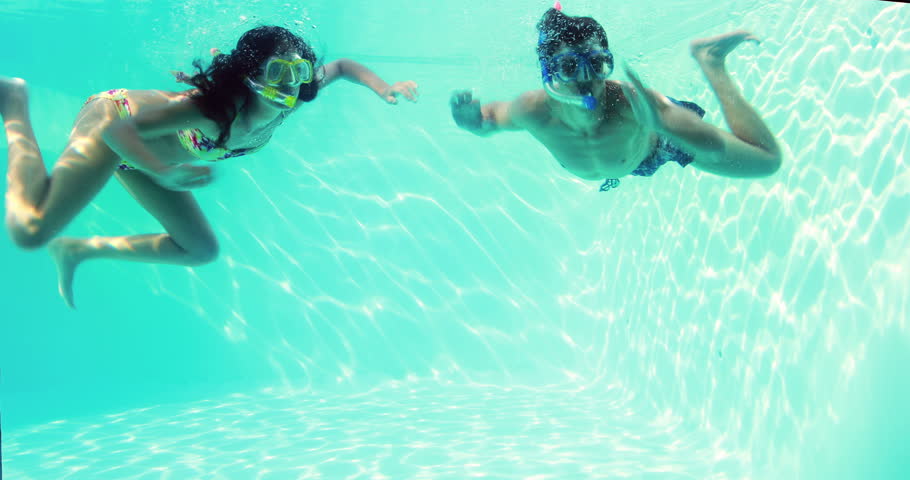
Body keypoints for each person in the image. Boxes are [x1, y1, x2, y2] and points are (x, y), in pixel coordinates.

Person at [0, 25, 419, 307]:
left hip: (146, 162)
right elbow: (117, 133)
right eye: (278, 70)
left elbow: (342, 67)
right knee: (30, 230)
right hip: (116, 122)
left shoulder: (288, 102)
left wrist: (384, 88)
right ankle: (14, 103)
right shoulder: (212, 110)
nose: (290, 82)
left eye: (299, 70)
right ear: (251, 75)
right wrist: (163, 173)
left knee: (200, 249)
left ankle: (76, 249)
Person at [450, 5, 781, 193]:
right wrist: (469, 119)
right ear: (548, 72)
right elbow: (488, 120)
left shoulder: (634, 104)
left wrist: (662, 124)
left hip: (654, 145)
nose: (586, 78)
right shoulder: (531, 110)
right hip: (625, 163)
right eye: (569, 66)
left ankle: (711, 61)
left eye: (596, 63)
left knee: (766, 162)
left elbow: (713, 147)